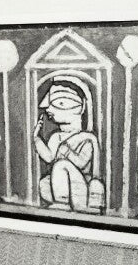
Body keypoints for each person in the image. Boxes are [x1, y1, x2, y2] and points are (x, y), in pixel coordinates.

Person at [33, 80, 103, 213]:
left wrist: (66, 151)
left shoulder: (87, 138)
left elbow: (81, 163)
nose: (49, 109)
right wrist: (37, 139)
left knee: (61, 165)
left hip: (80, 188)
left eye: (60, 103)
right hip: (60, 187)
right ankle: (59, 201)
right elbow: (49, 157)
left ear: (81, 108)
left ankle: (63, 202)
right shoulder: (56, 137)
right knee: (45, 182)